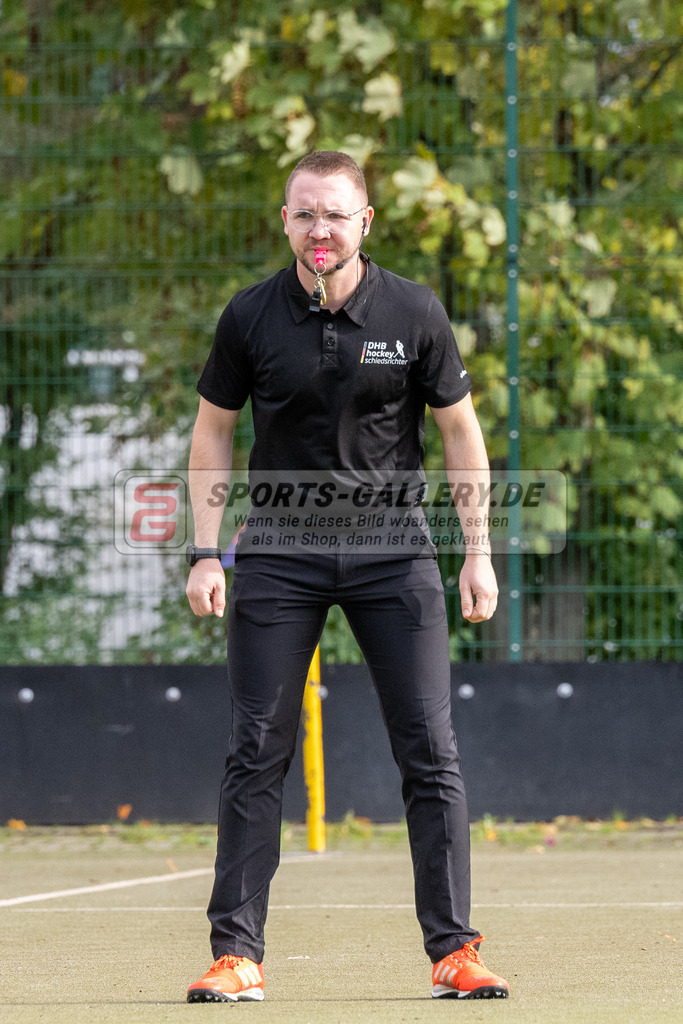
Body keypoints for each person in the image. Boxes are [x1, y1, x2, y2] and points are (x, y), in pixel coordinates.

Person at [184, 151, 509, 1003]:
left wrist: (476, 553)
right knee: (255, 749)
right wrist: (203, 550)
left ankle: (454, 951)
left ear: (365, 221)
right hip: (278, 554)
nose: (319, 230)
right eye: (304, 215)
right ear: (283, 221)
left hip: (392, 553)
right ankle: (236, 955)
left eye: (335, 214)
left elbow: (460, 436)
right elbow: (213, 430)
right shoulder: (250, 315)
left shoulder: (413, 310)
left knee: (430, 752)